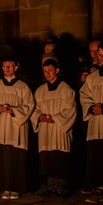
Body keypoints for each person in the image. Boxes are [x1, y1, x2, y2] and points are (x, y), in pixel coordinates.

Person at [0, 58, 34, 199]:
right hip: (0, 126)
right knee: (2, 156)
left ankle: (16, 188)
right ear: (2, 68)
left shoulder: (23, 86)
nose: (7, 68)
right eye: (5, 66)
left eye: (10, 66)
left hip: (16, 127)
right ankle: (5, 187)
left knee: (16, 157)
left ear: (16, 67)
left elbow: (29, 105)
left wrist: (13, 110)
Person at [31, 59, 76, 197]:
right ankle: (49, 186)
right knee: (47, 157)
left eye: (50, 70)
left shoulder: (66, 89)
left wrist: (54, 118)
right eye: (45, 71)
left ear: (57, 70)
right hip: (45, 129)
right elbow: (35, 109)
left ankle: (61, 187)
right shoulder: (40, 91)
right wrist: (39, 117)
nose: (48, 74)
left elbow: (71, 110)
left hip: (59, 128)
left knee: (59, 156)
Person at [80, 41, 103, 203]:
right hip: (96, 123)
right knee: (97, 155)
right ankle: (98, 188)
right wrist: (92, 107)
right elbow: (84, 95)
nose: (100, 57)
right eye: (98, 54)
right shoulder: (92, 77)